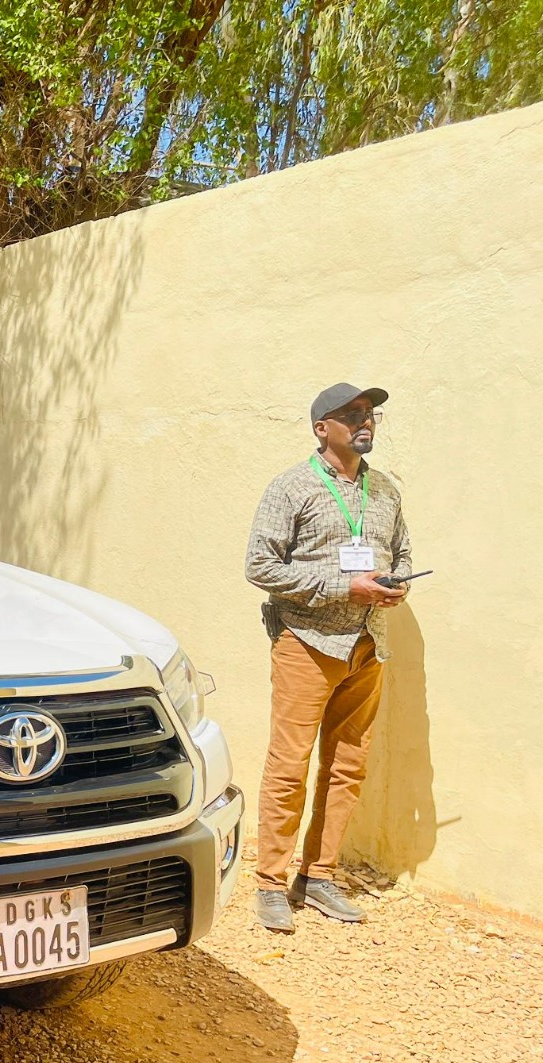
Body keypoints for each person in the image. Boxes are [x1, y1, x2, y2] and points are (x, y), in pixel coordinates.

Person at [245, 382, 411, 933]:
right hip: (307, 644)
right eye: (352, 414)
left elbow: (401, 552)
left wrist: (395, 584)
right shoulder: (291, 487)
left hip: (367, 644)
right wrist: (345, 587)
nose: (366, 421)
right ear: (322, 428)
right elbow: (260, 567)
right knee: (289, 766)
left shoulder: (384, 490)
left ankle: (318, 876)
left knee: (347, 766)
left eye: (371, 413)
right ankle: (271, 882)